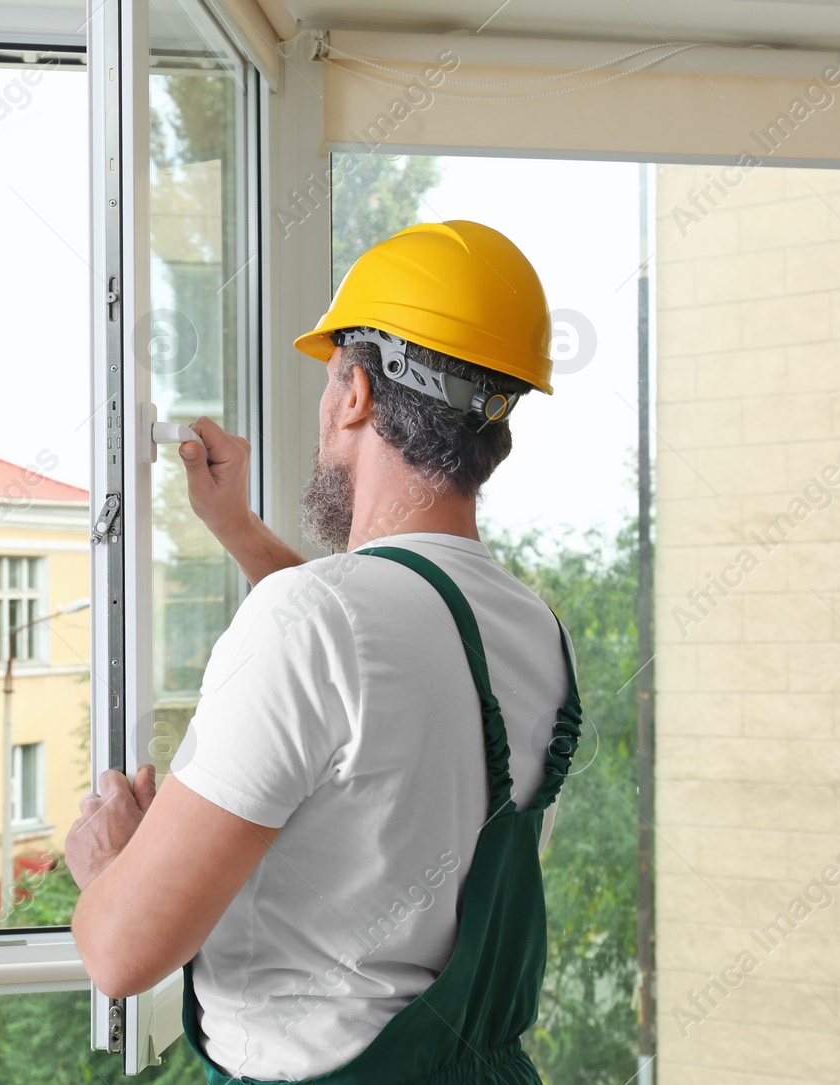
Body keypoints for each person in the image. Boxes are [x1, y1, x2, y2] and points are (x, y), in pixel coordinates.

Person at [66, 220, 582, 1084]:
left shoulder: (314, 623)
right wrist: (238, 531)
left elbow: (120, 955)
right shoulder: (532, 626)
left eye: (328, 375)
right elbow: (383, 643)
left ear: (356, 395)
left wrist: (109, 862)